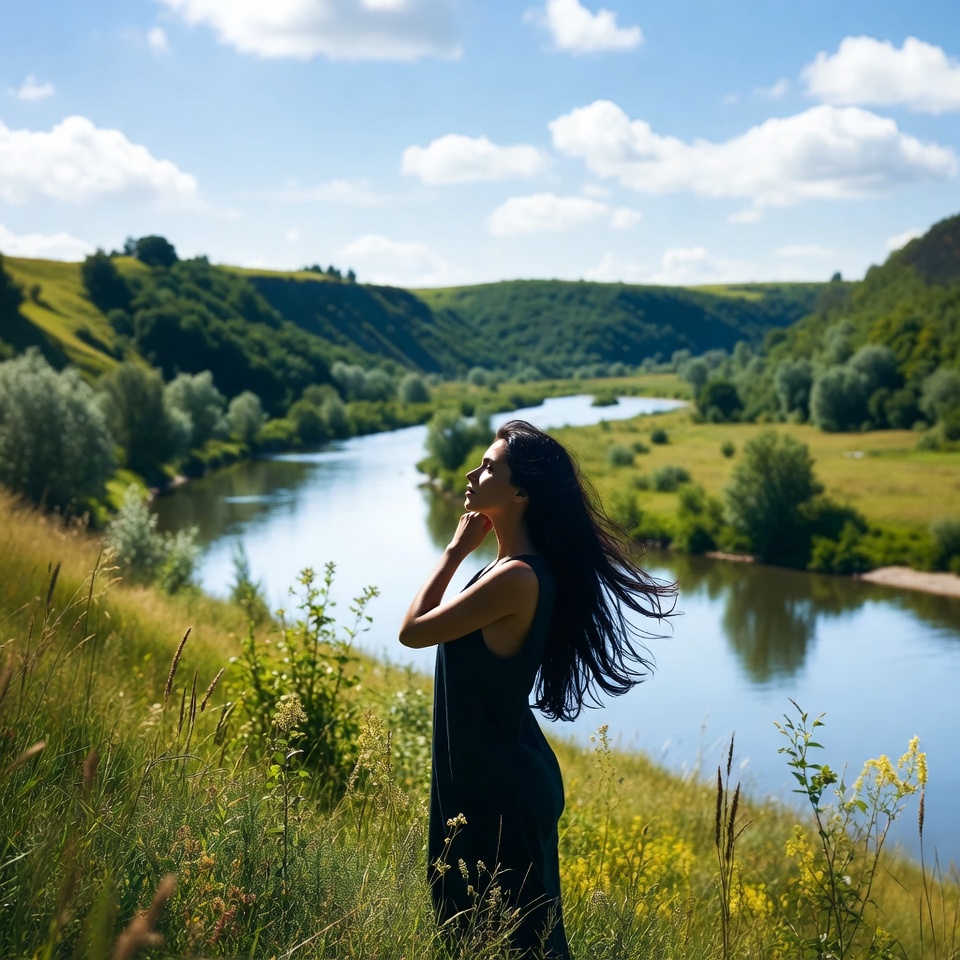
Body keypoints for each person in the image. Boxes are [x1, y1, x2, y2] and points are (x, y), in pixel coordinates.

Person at [399, 419, 676, 959]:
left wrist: (454, 552)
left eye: (488, 467)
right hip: (487, 778)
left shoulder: (515, 579)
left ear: (521, 490)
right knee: (478, 936)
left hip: (501, 789)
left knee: (519, 944)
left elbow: (412, 631)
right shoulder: (509, 570)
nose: (472, 473)